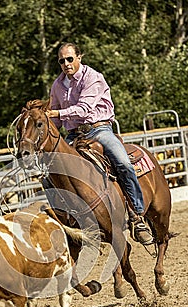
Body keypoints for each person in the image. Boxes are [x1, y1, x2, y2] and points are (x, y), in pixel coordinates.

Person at [46, 42, 153, 246]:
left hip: (99, 129)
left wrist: (57, 113)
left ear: (79, 57)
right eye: (62, 61)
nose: (66, 63)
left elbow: (84, 109)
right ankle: (67, 222)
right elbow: (56, 121)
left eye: (70, 59)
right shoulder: (57, 85)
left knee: (123, 163)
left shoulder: (93, 78)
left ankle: (137, 215)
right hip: (73, 135)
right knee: (49, 174)